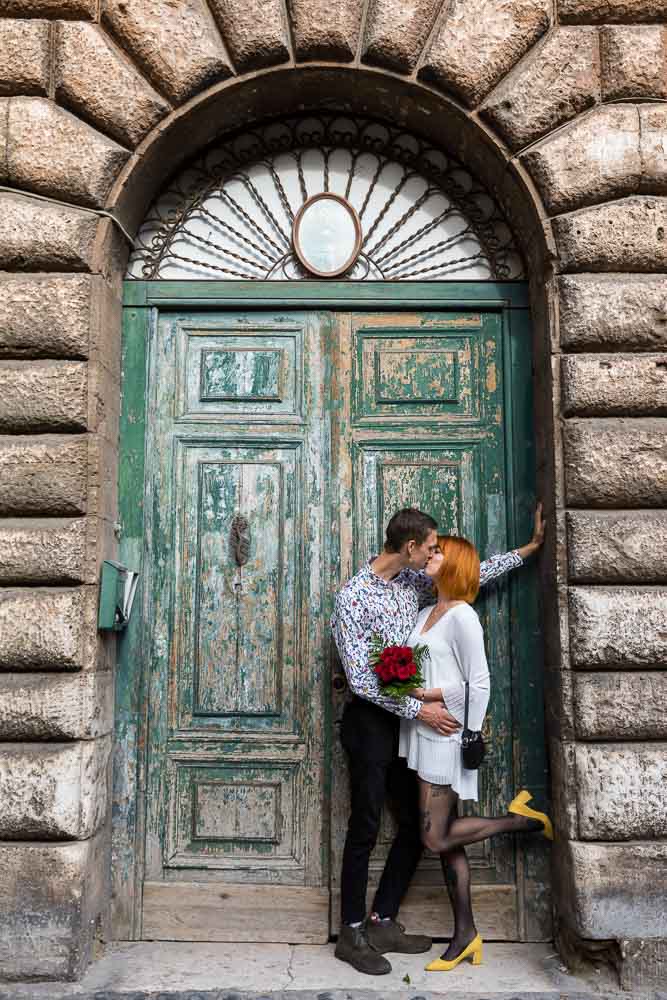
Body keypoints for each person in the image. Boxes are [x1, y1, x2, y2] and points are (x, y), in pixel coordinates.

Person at [331, 505, 545, 975]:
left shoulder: (415, 583)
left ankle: (383, 919)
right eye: (430, 547)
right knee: (366, 824)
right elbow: (363, 681)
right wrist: (420, 708)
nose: (435, 554)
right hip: (371, 722)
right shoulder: (352, 598)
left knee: (414, 825)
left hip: (410, 727)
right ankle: (351, 932)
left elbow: (470, 574)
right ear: (410, 548)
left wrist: (525, 552)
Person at [400, 534, 552, 973]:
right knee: (448, 844)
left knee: (434, 836)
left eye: (438, 551)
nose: (431, 555)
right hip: (421, 732)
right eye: (429, 550)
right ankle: (465, 934)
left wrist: (428, 693)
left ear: (454, 563)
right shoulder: (428, 611)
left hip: (446, 736)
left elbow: (479, 683)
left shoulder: (464, 616)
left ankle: (522, 821)